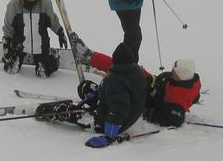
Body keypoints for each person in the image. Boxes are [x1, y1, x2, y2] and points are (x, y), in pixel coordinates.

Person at [70, 32, 201, 127]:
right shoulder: (192, 82)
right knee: (125, 65)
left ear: (182, 78)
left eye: (175, 73)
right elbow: (195, 96)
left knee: (119, 82)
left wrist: (149, 113)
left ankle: (97, 92)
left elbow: (174, 120)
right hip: (151, 83)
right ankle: (90, 57)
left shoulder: (177, 102)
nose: (171, 72)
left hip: (143, 96)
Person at [35, 42, 147, 149]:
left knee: (68, 112)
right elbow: (120, 95)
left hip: (107, 122)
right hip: (126, 115)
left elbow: (119, 108)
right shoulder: (136, 72)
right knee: (85, 87)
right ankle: (91, 104)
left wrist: (109, 136)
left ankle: (49, 111)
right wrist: (97, 94)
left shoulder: (115, 80)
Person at [2, 0, 68, 78]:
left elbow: (53, 21)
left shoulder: (45, 4)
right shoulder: (13, 6)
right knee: (10, 69)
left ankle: (53, 56)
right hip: (20, 45)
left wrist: (60, 32)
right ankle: (21, 56)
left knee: (43, 74)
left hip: (40, 46)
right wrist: (7, 46)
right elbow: (8, 27)